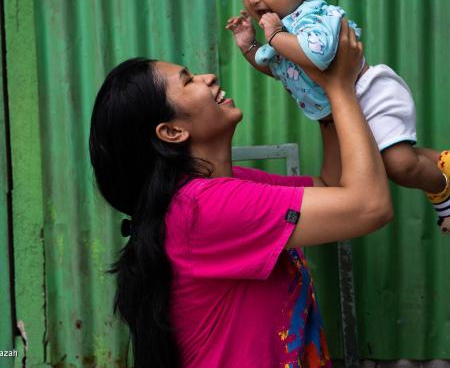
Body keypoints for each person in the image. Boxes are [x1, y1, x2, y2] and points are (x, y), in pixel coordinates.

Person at [89, 21, 392, 368]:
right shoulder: (204, 208)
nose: (208, 78)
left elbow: (332, 187)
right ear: (172, 131)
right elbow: (370, 206)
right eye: (188, 81)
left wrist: (320, 98)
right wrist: (341, 88)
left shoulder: (220, 191)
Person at [226, 0, 450, 233]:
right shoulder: (281, 30)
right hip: (333, 112)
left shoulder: (315, 16)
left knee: (399, 165)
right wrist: (249, 47)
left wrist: (277, 36)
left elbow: (316, 55)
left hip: (368, 93)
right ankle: (442, 164)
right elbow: (281, 70)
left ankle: (443, 191)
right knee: (335, 181)